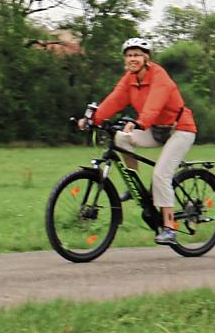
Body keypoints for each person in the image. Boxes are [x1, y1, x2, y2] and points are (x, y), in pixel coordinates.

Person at [76, 37, 198, 245]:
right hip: (155, 129)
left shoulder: (159, 76)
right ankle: (135, 186)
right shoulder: (129, 80)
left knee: (161, 174)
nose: (133, 59)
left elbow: (154, 104)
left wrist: (140, 122)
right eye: (129, 55)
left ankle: (169, 228)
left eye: (137, 55)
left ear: (146, 58)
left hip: (180, 129)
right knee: (120, 138)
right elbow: (113, 101)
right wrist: (91, 120)